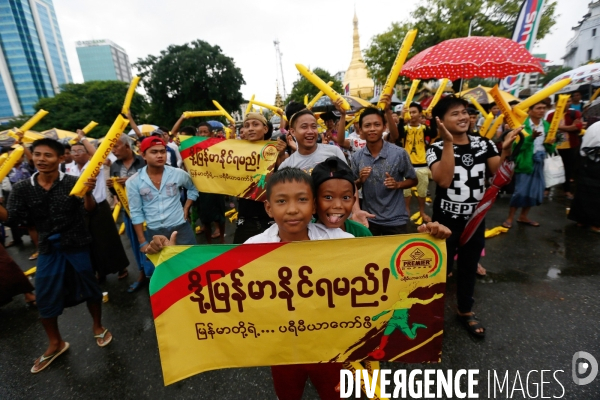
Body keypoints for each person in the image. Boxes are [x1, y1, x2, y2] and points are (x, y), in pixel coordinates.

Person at [146, 168, 352, 400]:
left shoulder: (338, 242)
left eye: (302, 200)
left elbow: (372, 262)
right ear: (269, 208)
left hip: (330, 346)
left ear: (313, 206)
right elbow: (214, 284)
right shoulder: (253, 248)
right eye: (282, 201)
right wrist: (172, 260)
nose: (293, 209)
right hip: (282, 348)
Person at [0, 138, 112, 373]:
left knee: (90, 287)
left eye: (48, 155)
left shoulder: (73, 182)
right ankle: (55, 342)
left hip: (77, 244)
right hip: (48, 249)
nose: (41, 159)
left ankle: (97, 326)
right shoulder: (23, 187)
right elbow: (12, 219)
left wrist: (89, 193)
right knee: (45, 294)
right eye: (37, 154)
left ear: (61, 158)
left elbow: (88, 210)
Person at [427, 95, 519, 338]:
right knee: (439, 269)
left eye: (465, 112)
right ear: (441, 121)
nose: (463, 117)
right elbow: (444, 180)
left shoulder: (484, 144)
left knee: (468, 267)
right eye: (455, 113)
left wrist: (506, 149)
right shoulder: (435, 148)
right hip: (445, 221)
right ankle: (431, 312)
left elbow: (500, 176)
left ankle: (465, 309)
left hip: (475, 220)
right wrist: (448, 143)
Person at [312, 156, 452, 242]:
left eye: (346, 197)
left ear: (354, 201)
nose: (338, 205)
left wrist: (425, 242)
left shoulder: (361, 233)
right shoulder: (302, 231)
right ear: (313, 202)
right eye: (328, 197)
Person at [67, 132, 129, 281]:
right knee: (90, 242)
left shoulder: (96, 166)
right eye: (73, 151)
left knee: (108, 239)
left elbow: (99, 156)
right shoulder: (68, 168)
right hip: (80, 208)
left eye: (80, 150)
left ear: (87, 153)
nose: (76, 154)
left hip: (99, 207)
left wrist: (83, 138)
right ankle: (100, 271)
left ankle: (120, 267)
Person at [127, 136, 199, 261]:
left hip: (180, 227)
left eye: (162, 151)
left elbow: (193, 188)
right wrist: (143, 241)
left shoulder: (177, 173)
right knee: (165, 267)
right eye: (154, 152)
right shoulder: (133, 182)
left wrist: (186, 207)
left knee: (191, 261)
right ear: (143, 155)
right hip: (155, 231)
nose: (160, 155)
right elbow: (136, 212)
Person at [352, 107, 418, 236]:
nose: (372, 129)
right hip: (369, 219)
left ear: (384, 127)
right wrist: (360, 180)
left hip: (396, 220)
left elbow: (414, 180)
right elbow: (352, 187)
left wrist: (398, 184)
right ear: (360, 130)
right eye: (367, 125)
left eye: (377, 124)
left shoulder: (399, 153)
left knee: (396, 255)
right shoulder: (357, 157)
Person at [107, 134, 154, 291]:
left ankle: (156, 276)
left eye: (116, 146)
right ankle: (142, 273)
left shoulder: (144, 161)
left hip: (149, 211)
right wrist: (112, 186)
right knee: (136, 244)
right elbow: (115, 191)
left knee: (152, 244)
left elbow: (155, 182)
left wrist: (130, 181)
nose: (113, 151)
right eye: (112, 147)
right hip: (129, 214)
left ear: (127, 146)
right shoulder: (114, 166)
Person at [231, 112, 287, 244]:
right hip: (246, 216)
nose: (250, 128)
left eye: (255, 124)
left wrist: (281, 154)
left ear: (265, 129)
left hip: (270, 216)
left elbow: (282, 179)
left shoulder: (275, 149)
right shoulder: (235, 151)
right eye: (246, 125)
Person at [503, 101, 556, 228]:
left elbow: (550, 147)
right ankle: (510, 218)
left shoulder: (547, 125)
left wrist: (551, 143)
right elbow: (517, 146)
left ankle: (523, 216)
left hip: (540, 161)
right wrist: (531, 137)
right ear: (530, 111)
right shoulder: (522, 125)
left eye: (544, 108)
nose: (542, 110)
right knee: (520, 191)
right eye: (538, 108)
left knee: (535, 191)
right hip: (525, 162)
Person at [388, 102, 434, 222]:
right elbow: (397, 136)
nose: (412, 115)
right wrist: (402, 118)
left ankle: (422, 212)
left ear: (420, 114)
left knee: (422, 190)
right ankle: (406, 210)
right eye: (410, 112)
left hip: (422, 164)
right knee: (406, 191)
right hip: (407, 164)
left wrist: (431, 119)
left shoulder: (424, 128)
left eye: (414, 112)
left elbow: (434, 133)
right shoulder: (404, 128)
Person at [546, 98, 584, 200]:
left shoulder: (575, 113)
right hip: (554, 146)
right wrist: (570, 126)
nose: (566, 103)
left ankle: (566, 190)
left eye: (568, 101)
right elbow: (548, 128)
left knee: (568, 169)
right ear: (557, 103)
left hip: (571, 146)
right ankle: (547, 188)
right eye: (563, 101)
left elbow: (577, 127)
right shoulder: (551, 115)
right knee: (550, 167)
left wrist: (558, 127)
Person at [568, 121, 600, 232]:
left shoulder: (594, 126)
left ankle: (581, 220)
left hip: (587, 161)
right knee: (594, 193)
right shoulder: (597, 126)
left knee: (583, 191)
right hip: (594, 162)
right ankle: (595, 224)